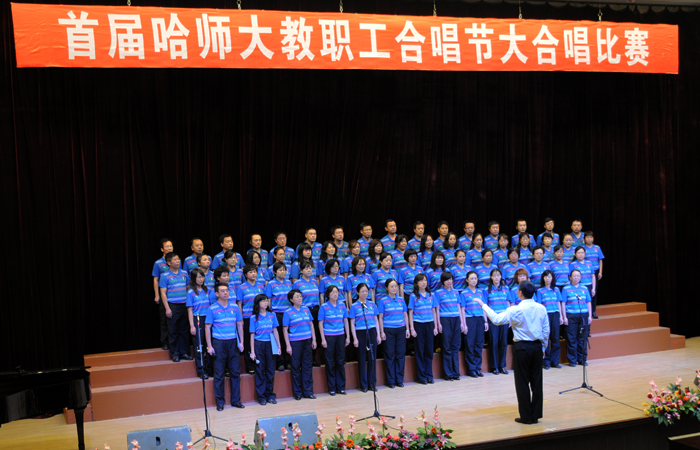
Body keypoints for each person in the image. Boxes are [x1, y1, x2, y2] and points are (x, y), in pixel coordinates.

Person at [475, 281, 549, 425]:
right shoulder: (541, 308)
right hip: (537, 347)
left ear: (520, 293)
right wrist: (543, 348)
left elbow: (496, 320)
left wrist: (483, 305)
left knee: (522, 382)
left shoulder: (515, 309)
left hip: (522, 347)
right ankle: (535, 415)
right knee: (537, 382)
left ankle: (526, 417)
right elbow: (546, 330)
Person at [205, 283, 245, 411]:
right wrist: (209, 346)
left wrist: (241, 342)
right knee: (219, 373)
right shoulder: (212, 308)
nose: (225, 293)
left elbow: (239, 324)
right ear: (217, 293)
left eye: (227, 290)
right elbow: (207, 327)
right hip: (219, 343)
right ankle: (220, 402)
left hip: (233, 342)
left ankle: (236, 401)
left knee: (235, 372)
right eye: (222, 291)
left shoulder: (235, 306)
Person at [283, 289, 317, 400]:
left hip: (307, 340)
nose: (299, 298)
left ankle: (308, 391)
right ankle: (297, 392)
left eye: (300, 296)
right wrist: (288, 345)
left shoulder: (306, 309)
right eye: (297, 296)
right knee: (296, 366)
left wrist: (314, 339)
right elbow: (285, 329)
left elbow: (311, 325)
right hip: (295, 342)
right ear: (291, 299)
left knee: (307, 366)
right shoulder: (288, 312)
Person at [159, 252, 192, 363]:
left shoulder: (184, 273)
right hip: (172, 305)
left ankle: (184, 352)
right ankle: (175, 353)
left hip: (184, 305)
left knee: (184, 330)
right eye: (175, 260)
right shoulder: (165, 275)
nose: (178, 261)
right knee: (173, 330)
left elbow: (188, 287)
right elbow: (163, 293)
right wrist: (167, 308)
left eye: (178, 259)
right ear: (168, 262)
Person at [349, 283, 382, 392]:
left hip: (371, 331)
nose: (364, 293)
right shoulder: (354, 306)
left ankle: (372, 383)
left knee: (372, 357)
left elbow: (376, 320)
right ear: (357, 292)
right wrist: (355, 338)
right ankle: (364, 385)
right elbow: (352, 323)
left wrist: (378, 334)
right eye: (362, 291)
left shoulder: (372, 304)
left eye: (366, 291)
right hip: (360, 332)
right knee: (362, 359)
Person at [249, 294, 281, 405]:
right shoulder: (254, 317)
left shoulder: (272, 315)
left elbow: (275, 331)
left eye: (266, 301)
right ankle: (261, 397)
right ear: (258, 303)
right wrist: (252, 351)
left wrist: (278, 346)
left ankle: (270, 395)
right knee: (260, 370)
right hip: (259, 344)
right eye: (263, 301)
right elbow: (252, 334)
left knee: (270, 370)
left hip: (270, 343)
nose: (265, 303)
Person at [319, 285, 350, 396]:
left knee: (340, 361)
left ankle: (341, 387)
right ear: (328, 294)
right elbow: (320, 323)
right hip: (329, 336)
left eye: (336, 292)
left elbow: (345, 321)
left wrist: (348, 336)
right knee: (330, 362)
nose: (335, 294)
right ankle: (332, 388)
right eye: (332, 292)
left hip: (340, 335)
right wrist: (323, 339)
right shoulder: (324, 307)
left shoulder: (342, 305)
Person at [377, 279, 409, 388]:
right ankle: (391, 381)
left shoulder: (401, 300)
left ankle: (399, 380)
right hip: (388, 329)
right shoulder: (383, 301)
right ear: (386, 288)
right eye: (391, 286)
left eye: (395, 286)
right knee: (390, 355)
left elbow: (405, 315)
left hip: (401, 329)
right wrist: (381, 332)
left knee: (400, 355)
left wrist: (407, 329)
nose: (394, 288)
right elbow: (380, 318)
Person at [408, 274, 438, 385]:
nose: (423, 282)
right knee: (420, 350)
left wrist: (435, 326)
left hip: (429, 323)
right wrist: (412, 328)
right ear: (417, 283)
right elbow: (410, 313)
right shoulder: (413, 296)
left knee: (429, 350)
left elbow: (434, 311)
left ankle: (429, 375)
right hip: (418, 324)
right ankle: (422, 377)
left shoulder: (431, 295)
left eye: (425, 280)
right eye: (421, 281)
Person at [435, 272, 465, 381]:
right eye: (447, 279)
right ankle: (448, 374)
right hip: (445, 319)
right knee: (446, 346)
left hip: (456, 319)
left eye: (451, 279)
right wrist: (438, 323)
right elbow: (437, 309)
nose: (449, 281)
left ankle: (456, 373)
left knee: (455, 346)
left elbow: (459, 307)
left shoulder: (456, 292)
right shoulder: (438, 293)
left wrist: (461, 322)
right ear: (443, 281)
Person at [236, 264, 266, 374]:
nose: (253, 274)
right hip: (247, 317)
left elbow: (264, 302)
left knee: (260, 340)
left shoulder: (261, 286)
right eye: (250, 272)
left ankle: (261, 364)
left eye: (255, 272)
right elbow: (239, 304)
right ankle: (250, 365)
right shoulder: (241, 287)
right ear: (245, 274)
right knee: (249, 342)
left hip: (260, 317)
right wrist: (240, 319)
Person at [560, 270, 593, 367]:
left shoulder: (584, 288)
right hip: (571, 315)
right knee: (571, 338)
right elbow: (563, 303)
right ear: (570, 277)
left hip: (583, 315)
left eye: (578, 276)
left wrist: (590, 316)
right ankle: (572, 360)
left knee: (582, 338)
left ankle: (582, 359)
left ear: (581, 277)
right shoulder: (566, 289)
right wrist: (564, 317)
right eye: (574, 276)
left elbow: (588, 302)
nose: (576, 278)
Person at [292, 261, 322, 366]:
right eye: (306, 268)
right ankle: (303, 359)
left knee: (315, 334)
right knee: (306, 334)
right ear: (301, 270)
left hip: (316, 309)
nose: (309, 270)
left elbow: (319, 296)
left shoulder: (315, 282)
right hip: (304, 310)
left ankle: (313, 358)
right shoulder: (297, 283)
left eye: (310, 268)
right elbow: (295, 298)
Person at [265, 262, 293, 371]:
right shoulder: (271, 284)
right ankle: (280, 362)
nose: (282, 272)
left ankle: (288, 361)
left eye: (284, 270)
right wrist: (270, 312)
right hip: (276, 313)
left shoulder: (289, 283)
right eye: (280, 270)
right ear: (275, 272)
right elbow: (268, 299)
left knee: (288, 337)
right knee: (279, 338)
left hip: (288, 313)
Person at [483, 269, 510, 375]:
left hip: (504, 319)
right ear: (491, 277)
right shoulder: (487, 290)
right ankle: (494, 367)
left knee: (503, 343)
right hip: (493, 319)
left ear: (501, 277)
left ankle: (502, 366)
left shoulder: (506, 288)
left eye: (498, 275)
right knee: (494, 343)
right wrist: (485, 320)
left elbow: (508, 303)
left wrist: (510, 318)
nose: (496, 277)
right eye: (494, 276)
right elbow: (484, 306)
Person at [535, 270, 563, 369]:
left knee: (555, 337)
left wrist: (561, 316)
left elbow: (559, 303)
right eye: (546, 277)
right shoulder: (540, 291)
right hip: (545, 315)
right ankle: (546, 362)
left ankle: (555, 361)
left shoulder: (556, 290)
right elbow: (539, 305)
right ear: (543, 278)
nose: (548, 279)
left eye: (549, 277)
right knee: (546, 337)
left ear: (552, 278)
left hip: (555, 314)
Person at [187, 268, 211, 379]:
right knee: (199, 346)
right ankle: (201, 370)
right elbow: (189, 310)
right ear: (193, 278)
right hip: (197, 319)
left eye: (202, 277)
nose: (201, 279)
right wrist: (192, 325)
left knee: (209, 345)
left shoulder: (208, 290)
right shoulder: (191, 292)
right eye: (198, 277)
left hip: (208, 319)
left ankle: (210, 369)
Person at [462, 271, 486, 378]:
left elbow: (483, 307)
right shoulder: (463, 293)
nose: (474, 280)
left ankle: (478, 368)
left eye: (475, 278)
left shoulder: (480, 292)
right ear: (467, 280)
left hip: (480, 318)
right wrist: (464, 324)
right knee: (470, 344)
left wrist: (485, 321)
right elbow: (462, 309)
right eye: (471, 278)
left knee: (479, 344)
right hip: (469, 319)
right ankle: (471, 369)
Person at [152, 238, 173, 350]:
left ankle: (173, 342)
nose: (169, 248)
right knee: (164, 319)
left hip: (175, 295)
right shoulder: (158, 263)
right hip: (163, 294)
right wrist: (157, 295)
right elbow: (156, 279)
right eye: (167, 246)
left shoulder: (176, 261)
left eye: (171, 246)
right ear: (162, 249)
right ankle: (165, 342)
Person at [584, 231, 605, 319]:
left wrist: (600, 272)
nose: (589, 239)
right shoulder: (582, 248)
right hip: (586, 272)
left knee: (594, 291)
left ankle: (593, 311)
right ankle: (586, 311)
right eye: (587, 237)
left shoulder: (597, 248)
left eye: (591, 237)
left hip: (595, 272)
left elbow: (600, 260)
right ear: (584, 239)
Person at [570, 247, 597, 313]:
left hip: (589, 285)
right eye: (579, 253)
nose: (580, 254)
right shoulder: (572, 264)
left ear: (585, 254)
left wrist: (593, 288)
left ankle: (591, 313)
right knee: (580, 301)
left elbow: (593, 276)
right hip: (578, 286)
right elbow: (570, 277)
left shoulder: (589, 263)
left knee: (589, 300)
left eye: (582, 253)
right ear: (575, 254)